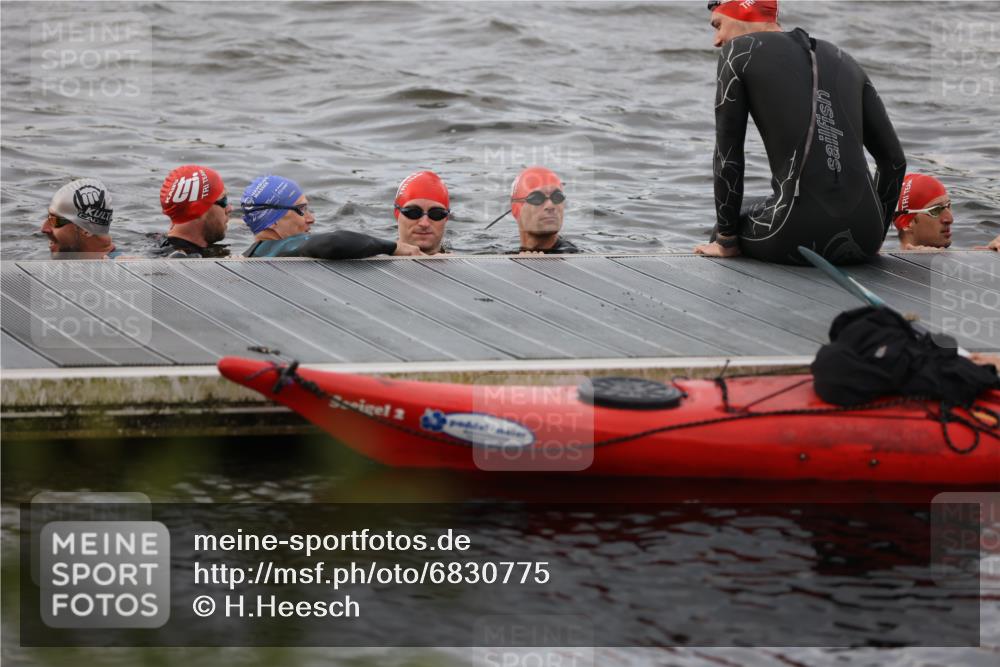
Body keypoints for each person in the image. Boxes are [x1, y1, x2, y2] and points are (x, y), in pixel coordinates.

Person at [695, 0, 906, 265]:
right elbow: (894, 161)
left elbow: (728, 156)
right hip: (866, 236)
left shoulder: (739, 51)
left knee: (725, 228)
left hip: (794, 234)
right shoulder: (844, 58)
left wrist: (726, 239)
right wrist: (873, 240)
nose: (717, 40)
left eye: (718, 25)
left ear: (743, 10)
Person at [241, 175, 421, 258]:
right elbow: (334, 242)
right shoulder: (280, 248)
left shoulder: (254, 254)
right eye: (301, 210)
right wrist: (393, 248)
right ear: (274, 221)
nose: (311, 219)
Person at [158, 164, 232, 258]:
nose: (229, 208)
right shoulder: (187, 260)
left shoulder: (158, 241)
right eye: (224, 200)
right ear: (198, 210)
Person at [502, 166, 579, 254]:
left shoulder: (570, 255)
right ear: (516, 209)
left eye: (557, 197)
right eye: (537, 198)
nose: (550, 205)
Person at [41, 178, 119, 258]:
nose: (44, 228)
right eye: (48, 217)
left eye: (55, 221)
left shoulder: (123, 268)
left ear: (87, 229)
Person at [394, 171, 451, 255]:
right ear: (397, 213)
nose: (424, 224)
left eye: (436, 214)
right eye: (413, 213)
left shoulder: (464, 261)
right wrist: (391, 249)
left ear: (446, 217)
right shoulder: (376, 255)